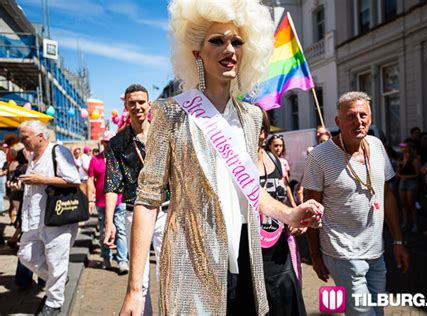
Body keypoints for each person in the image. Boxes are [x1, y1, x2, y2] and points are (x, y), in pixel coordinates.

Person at [119, 1, 323, 314]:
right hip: (192, 258)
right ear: (196, 52)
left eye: (237, 41)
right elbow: (147, 201)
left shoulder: (253, 116)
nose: (229, 49)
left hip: (247, 256)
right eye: (217, 40)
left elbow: (250, 190)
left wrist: (288, 214)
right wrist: (135, 290)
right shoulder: (170, 112)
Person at [303, 91, 409, 315]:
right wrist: (315, 256)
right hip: (343, 254)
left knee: (377, 311)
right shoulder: (320, 156)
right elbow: (311, 209)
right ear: (338, 121)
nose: (358, 121)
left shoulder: (377, 146)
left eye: (363, 115)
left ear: (370, 118)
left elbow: (387, 195)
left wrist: (398, 241)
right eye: (351, 116)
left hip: (375, 251)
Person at [103, 84, 167, 314]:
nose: (137, 106)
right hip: (134, 213)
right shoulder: (117, 144)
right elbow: (112, 184)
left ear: (149, 104)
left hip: (166, 212)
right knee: (139, 279)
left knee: (168, 274)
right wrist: (109, 221)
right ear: (126, 106)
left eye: (141, 101)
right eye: (132, 103)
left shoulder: (164, 136)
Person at [16, 120, 81, 316]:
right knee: (26, 254)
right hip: (34, 219)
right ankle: (59, 281)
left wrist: (40, 180)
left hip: (56, 218)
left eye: (25, 137)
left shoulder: (58, 151)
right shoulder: (32, 156)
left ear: (40, 137)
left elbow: (73, 179)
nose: (22, 142)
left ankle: (54, 303)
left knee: (56, 260)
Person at [257, 110, 306, 315]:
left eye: (258, 126)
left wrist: (294, 215)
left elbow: (283, 193)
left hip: (280, 245)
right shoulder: (237, 165)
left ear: (264, 131)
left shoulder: (274, 160)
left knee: (285, 302)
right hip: (253, 250)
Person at [87, 130, 128, 273]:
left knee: (121, 230)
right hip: (101, 202)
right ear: (102, 143)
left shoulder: (121, 159)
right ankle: (106, 257)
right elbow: (90, 180)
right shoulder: (95, 159)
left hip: (119, 201)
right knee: (104, 231)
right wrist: (90, 200)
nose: (108, 144)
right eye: (106, 142)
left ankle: (122, 261)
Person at [396, 143, 421, 233]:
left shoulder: (414, 160)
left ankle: (415, 224)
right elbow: (398, 171)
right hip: (403, 181)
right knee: (403, 204)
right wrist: (399, 173)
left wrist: (407, 177)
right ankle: (405, 223)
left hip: (411, 181)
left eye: (404, 148)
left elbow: (418, 173)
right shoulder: (401, 159)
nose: (402, 149)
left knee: (411, 204)